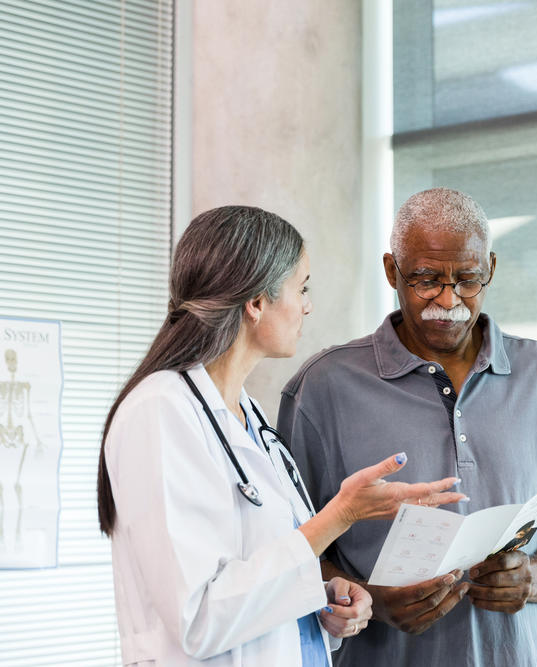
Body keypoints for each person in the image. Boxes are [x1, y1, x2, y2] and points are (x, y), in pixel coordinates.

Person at [96, 206, 466, 666]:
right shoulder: (160, 411)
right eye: (301, 288)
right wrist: (341, 514)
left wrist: (324, 599)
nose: (307, 305)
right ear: (256, 302)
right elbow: (196, 620)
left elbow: (256, 577)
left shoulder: (245, 413)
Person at [279, 188, 537, 666]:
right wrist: (371, 599)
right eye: (426, 279)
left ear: (491, 269)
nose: (448, 299)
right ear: (392, 271)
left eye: (468, 279)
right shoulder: (323, 387)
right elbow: (287, 554)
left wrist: (532, 579)